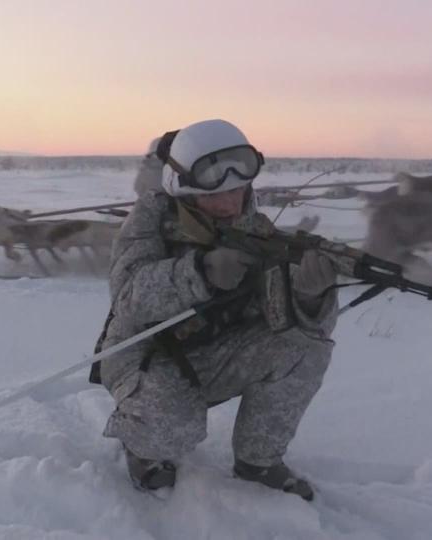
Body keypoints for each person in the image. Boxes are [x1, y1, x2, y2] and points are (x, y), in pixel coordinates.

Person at [94, 119, 340, 501]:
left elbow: (279, 317)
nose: (229, 203)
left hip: (213, 349)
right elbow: (127, 299)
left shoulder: (254, 231)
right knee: (173, 428)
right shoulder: (149, 223)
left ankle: (258, 461)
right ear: (184, 192)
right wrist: (200, 273)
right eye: (215, 195)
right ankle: (142, 449)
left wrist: (309, 297)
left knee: (305, 344)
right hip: (145, 352)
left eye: (238, 190)